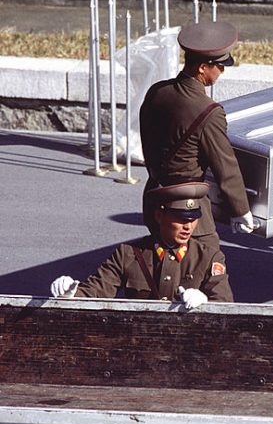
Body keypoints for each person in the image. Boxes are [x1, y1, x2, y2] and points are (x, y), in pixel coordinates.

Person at [139, 21, 255, 256]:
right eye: (220, 67)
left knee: (162, 266)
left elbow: (147, 141)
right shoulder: (208, 111)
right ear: (203, 67)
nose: (222, 71)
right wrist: (240, 210)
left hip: (155, 197)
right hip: (188, 208)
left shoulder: (157, 92)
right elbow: (225, 166)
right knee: (207, 270)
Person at [50, 182, 234, 309]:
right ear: (159, 216)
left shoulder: (209, 258)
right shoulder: (128, 254)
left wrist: (206, 303)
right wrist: (71, 295)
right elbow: (96, 290)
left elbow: (226, 305)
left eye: (193, 219)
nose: (188, 226)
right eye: (180, 219)